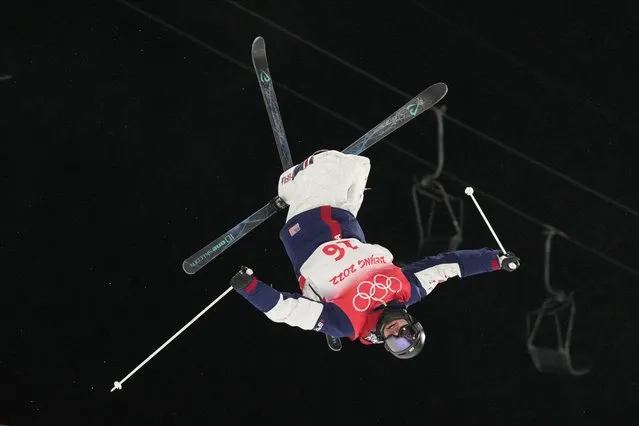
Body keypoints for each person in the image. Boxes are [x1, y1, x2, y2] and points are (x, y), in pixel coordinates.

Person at [229, 150, 520, 359]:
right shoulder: (411, 288)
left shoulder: (346, 323)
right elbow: (451, 265)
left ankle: (290, 188)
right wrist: (496, 260)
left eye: (394, 343)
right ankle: (310, 183)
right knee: (360, 166)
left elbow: (289, 311)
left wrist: (250, 289)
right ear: (412, 325)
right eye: (406, 334)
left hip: (308, 231)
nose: (396, 334)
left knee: (332, 162)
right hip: (345, 220)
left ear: (383, 342)